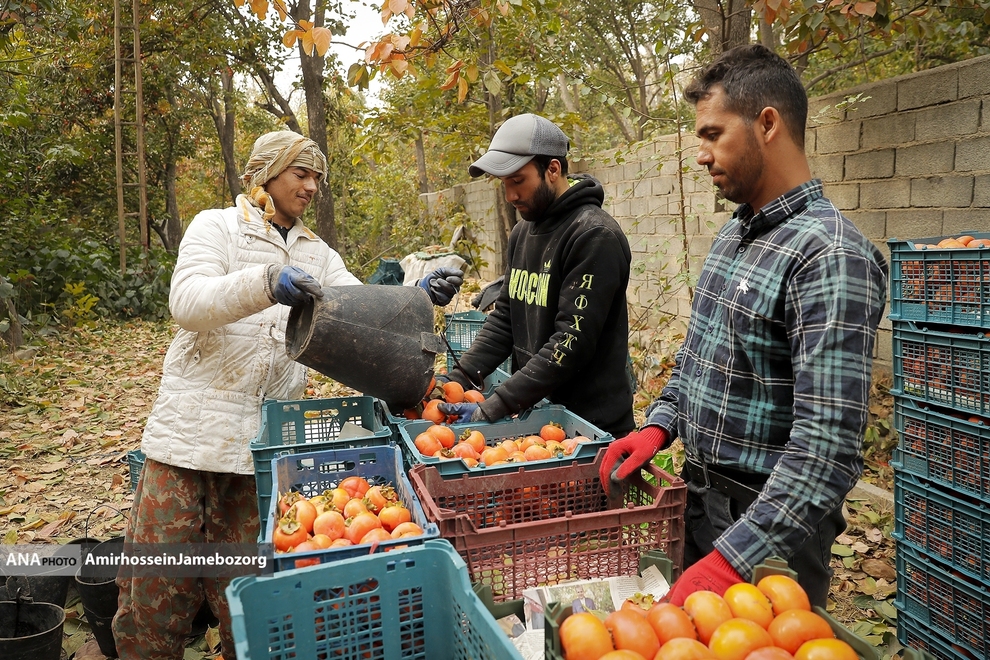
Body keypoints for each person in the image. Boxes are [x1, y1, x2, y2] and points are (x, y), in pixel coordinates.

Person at [111, 131, 461, 659]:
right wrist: (266, 281)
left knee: (245, 596)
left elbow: (363, 310)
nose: (312, 186)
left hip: (260, 450)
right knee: (156, 590)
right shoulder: (218, 228)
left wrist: (417, 292)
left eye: (317, 176)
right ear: (266, 174)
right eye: (301, 173)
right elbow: (187, 301)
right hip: (187, 443)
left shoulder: (317, 253)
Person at [599, 44, 888, 608]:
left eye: (712, 134)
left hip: (773, 531)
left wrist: (734, 561)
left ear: (768, 123)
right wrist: (659, 427)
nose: (701, 154)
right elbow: (698, 360)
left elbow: (827, 449)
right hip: (702, 503)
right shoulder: (735, 236)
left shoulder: (828, 256)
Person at [437, 113, 635, 437]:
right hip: (537, 421)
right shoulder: (522, 233)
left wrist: (495, 405)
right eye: (504, 184)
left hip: (590, 432)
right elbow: (505, 321)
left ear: (552, 170)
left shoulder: (594, 236)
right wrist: (458, 378)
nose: (510, 195)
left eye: (518, 181)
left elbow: (570, 343)